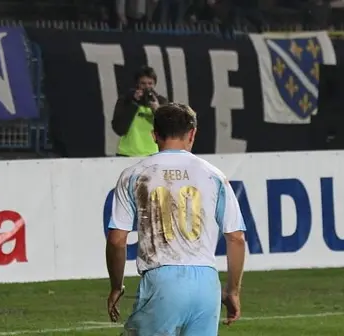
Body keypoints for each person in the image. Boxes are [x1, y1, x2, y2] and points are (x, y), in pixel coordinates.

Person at [105, 103, 247, 336]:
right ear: (192, 133)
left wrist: (116, 286)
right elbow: (236, 238)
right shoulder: (214, 175)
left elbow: (117, 240)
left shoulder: (134, 174)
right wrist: (232, 291)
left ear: (154, 135)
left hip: (162, 280)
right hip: (206, 284)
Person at [111, 66, 168, 157]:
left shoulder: (161, 102)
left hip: (153, 153)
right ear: (137, 84)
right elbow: (118, 128)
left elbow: (168, 130)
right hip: (127, 153)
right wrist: (134, 104)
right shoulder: (126, 100)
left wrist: (157, 111)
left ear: (154, 84)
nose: (147, 87)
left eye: (150, 83)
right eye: (143, 83)